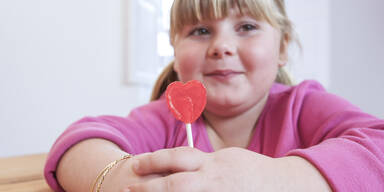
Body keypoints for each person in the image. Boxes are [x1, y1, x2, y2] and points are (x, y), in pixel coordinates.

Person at [44, 0, 384, 191]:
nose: (221, 46)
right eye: (201, 31)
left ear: (282, 48)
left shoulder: (303, 105)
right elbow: (78, 142)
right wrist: (116, 178)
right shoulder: (165, 119)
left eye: (247, 27)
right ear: (176, 55)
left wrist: (278, 180)